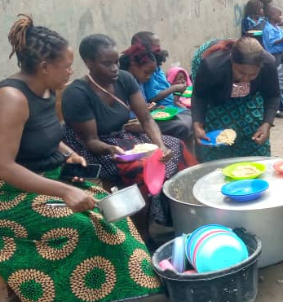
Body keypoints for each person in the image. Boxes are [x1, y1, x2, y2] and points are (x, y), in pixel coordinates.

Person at [0, 15, 162, 302]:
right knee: (78, 225)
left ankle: (97, 288)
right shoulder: (12, 99)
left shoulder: (48, 90)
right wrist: (64, 191)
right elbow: (1, 165)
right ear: (44, 66)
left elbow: (45, 134)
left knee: (108, 211)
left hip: (38, 176)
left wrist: (69, 153)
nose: (71, 71)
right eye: (66, 65)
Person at [61, 34, 192, 235]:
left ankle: (177, 216)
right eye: (107, 64)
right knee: (141, 169)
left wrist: (160, 145)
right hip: (91, 149)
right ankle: (142, 234)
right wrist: (110, 148)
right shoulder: (78, 93)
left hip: (121, 137)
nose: (114, 68)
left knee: (176, 147)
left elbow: (147, 119)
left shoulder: (124, 78)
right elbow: (91, 141)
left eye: (115, 62)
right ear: (89, 63)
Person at [191, 38, 279, 161]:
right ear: (232, 61)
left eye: (253, 74)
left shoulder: (268, 65)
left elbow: (272, 96)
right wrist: (198, 124)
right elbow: (199, 96)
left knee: (252, 125)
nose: (245, 79)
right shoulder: (211, 67)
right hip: (216, 96)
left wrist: (266, 124)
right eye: (241, 72)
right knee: (216, 142)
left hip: (249, 94)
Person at [120, 42, 194, 146]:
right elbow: (123, 110)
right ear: (133, 66)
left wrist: (153, 107)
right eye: (146, 72)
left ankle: (193, 157)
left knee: (190, 115)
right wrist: (140, 108)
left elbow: (143, 104)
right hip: (134, 123)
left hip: (146, 117)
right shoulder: (122, 82)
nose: (148, 77)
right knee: (182, 126)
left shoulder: (139, 81)